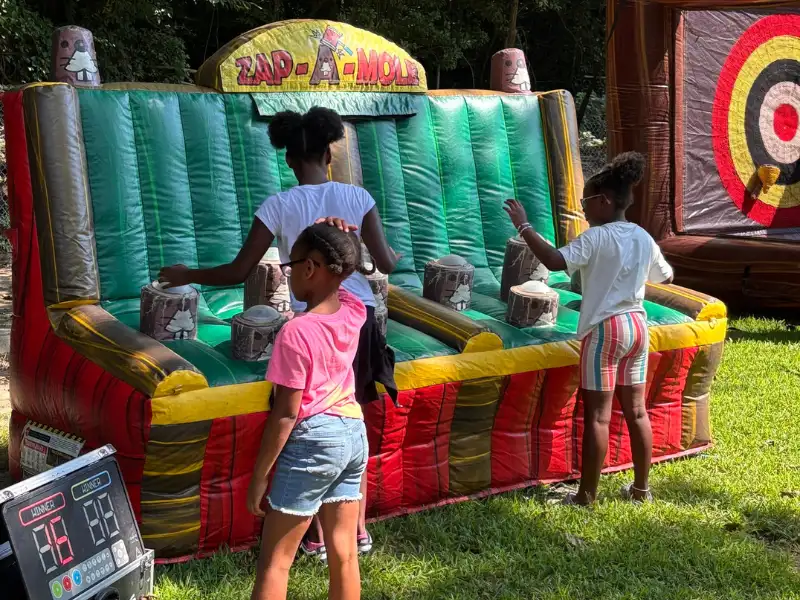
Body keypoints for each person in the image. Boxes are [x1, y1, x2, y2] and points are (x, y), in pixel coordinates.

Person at [159, 106, 399, 556]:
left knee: (303, 414)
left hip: (314, 324)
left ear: (289, 160)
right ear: (330, 154)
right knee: (349, 413)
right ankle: (356, 528)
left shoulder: (279, 205)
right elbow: (384, 264)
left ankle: (311, 532)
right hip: (360, 318)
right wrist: (388, 256)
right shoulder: (358, 198)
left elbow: (238, 270)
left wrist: (184, 273)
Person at [503, 152, 673, 505]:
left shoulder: (596, 238)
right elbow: (665, 275)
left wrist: (524, 226)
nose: (582, 209)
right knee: (637, 411)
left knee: (598, 415)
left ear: (605, 201)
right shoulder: (641, 236)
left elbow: (553, 260)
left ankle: (587, 496)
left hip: (606, 329)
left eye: (586, 202)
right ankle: (641, 490)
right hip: (639, 328)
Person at [245, 222, 368, 600]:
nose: (288, 273)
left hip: (314, 440)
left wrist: (260, 477)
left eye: (290, 265)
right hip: (354, 436)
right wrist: (344, 238)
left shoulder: (296, 333)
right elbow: (342, 272)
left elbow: (286, 414)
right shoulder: (354, 310)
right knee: (345, 555)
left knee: (275, 562)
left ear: (311, 268)